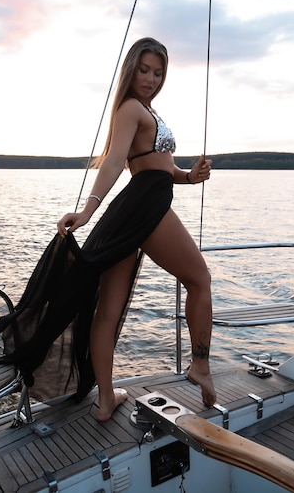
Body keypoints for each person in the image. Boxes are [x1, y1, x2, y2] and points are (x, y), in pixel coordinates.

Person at [57, 37, 216, 422]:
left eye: (158, 72)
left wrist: (189, 177)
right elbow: (114, 163)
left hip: (138, 205)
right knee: (200, 279)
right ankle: (201, 366)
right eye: (144, 70)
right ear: (131, 69)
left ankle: (106, 400)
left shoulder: (147, 109)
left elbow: (158, 166)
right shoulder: (130, 108)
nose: (150, 78)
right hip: (145, 206)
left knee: (107, 311)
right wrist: (87, 210)